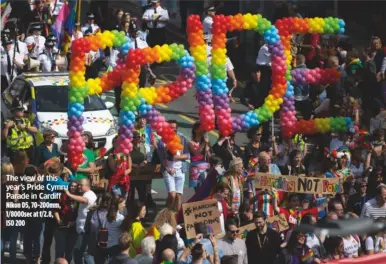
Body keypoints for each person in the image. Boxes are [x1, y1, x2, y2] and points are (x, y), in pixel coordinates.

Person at [158, 120, 190, 211]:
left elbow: (187, 155)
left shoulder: (182, 139)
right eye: (171, 128)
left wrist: (177, 157)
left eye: (175, 128)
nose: (173, 129)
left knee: (178, 195)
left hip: (180, 170)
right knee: (172, 194)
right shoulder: (162, 142)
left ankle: (176, 216)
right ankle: (166, 212)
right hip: (169, 171)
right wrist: (168, 169)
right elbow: (162, 159)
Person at [65, 178, 97, 264]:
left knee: (79, 253)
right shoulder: (84, 194)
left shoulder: (89, 194)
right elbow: (83, 214)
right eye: (79, 185)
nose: (79, 186)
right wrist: (74, 222)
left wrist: (69, 194)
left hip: (85, 230)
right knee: (84, 254)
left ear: (87, 186)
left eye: (81, 185)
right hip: (81, 229)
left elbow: (84, 200)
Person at [53, 180, 78, 263]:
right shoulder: (62, 196)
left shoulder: (79, 198)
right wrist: (59, 220)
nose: (73, 187)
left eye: (75, 186)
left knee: (70, 251)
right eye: (71, 185)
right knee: (59, 250)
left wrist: (74, 223)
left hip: (73, 228)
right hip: (62, 226)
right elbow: (55, 209)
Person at [189, 121, 211, 190]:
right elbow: (196, 153)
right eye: (200, 128)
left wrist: (207, 151)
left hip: (205, 168)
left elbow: (210, 157)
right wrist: (204, 143)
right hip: (195, 169)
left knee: (206, 190)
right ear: (195, 130)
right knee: (198, 191)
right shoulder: (191, 143)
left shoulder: (205, 142)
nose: (202, 130)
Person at [294, 54, 312, 120]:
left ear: (298, 60)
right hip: (306, 97)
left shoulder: (293, 72)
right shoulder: (309, 71)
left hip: (296, 97)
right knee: (306, 117)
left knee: (293, 117)